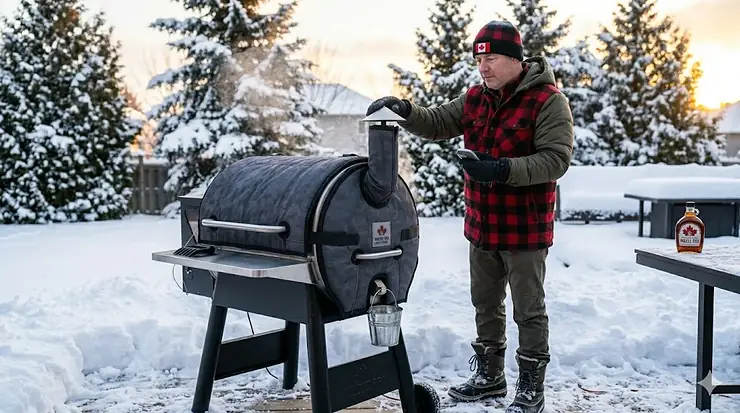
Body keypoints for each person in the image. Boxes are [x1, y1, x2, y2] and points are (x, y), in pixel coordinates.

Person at [366, 20, 573, 413]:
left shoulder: (547, 100)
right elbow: (439, 121)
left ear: (515, 59)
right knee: (485, 303)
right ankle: (490, 377)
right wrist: (405, 110)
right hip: (482, 224)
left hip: (525, 227)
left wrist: (501, 169)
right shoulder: (476, 97)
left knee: (528, 309)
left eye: (491, 58)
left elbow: (556, 159)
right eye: (479, 60)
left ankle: (531, 388)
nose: (484, 67)